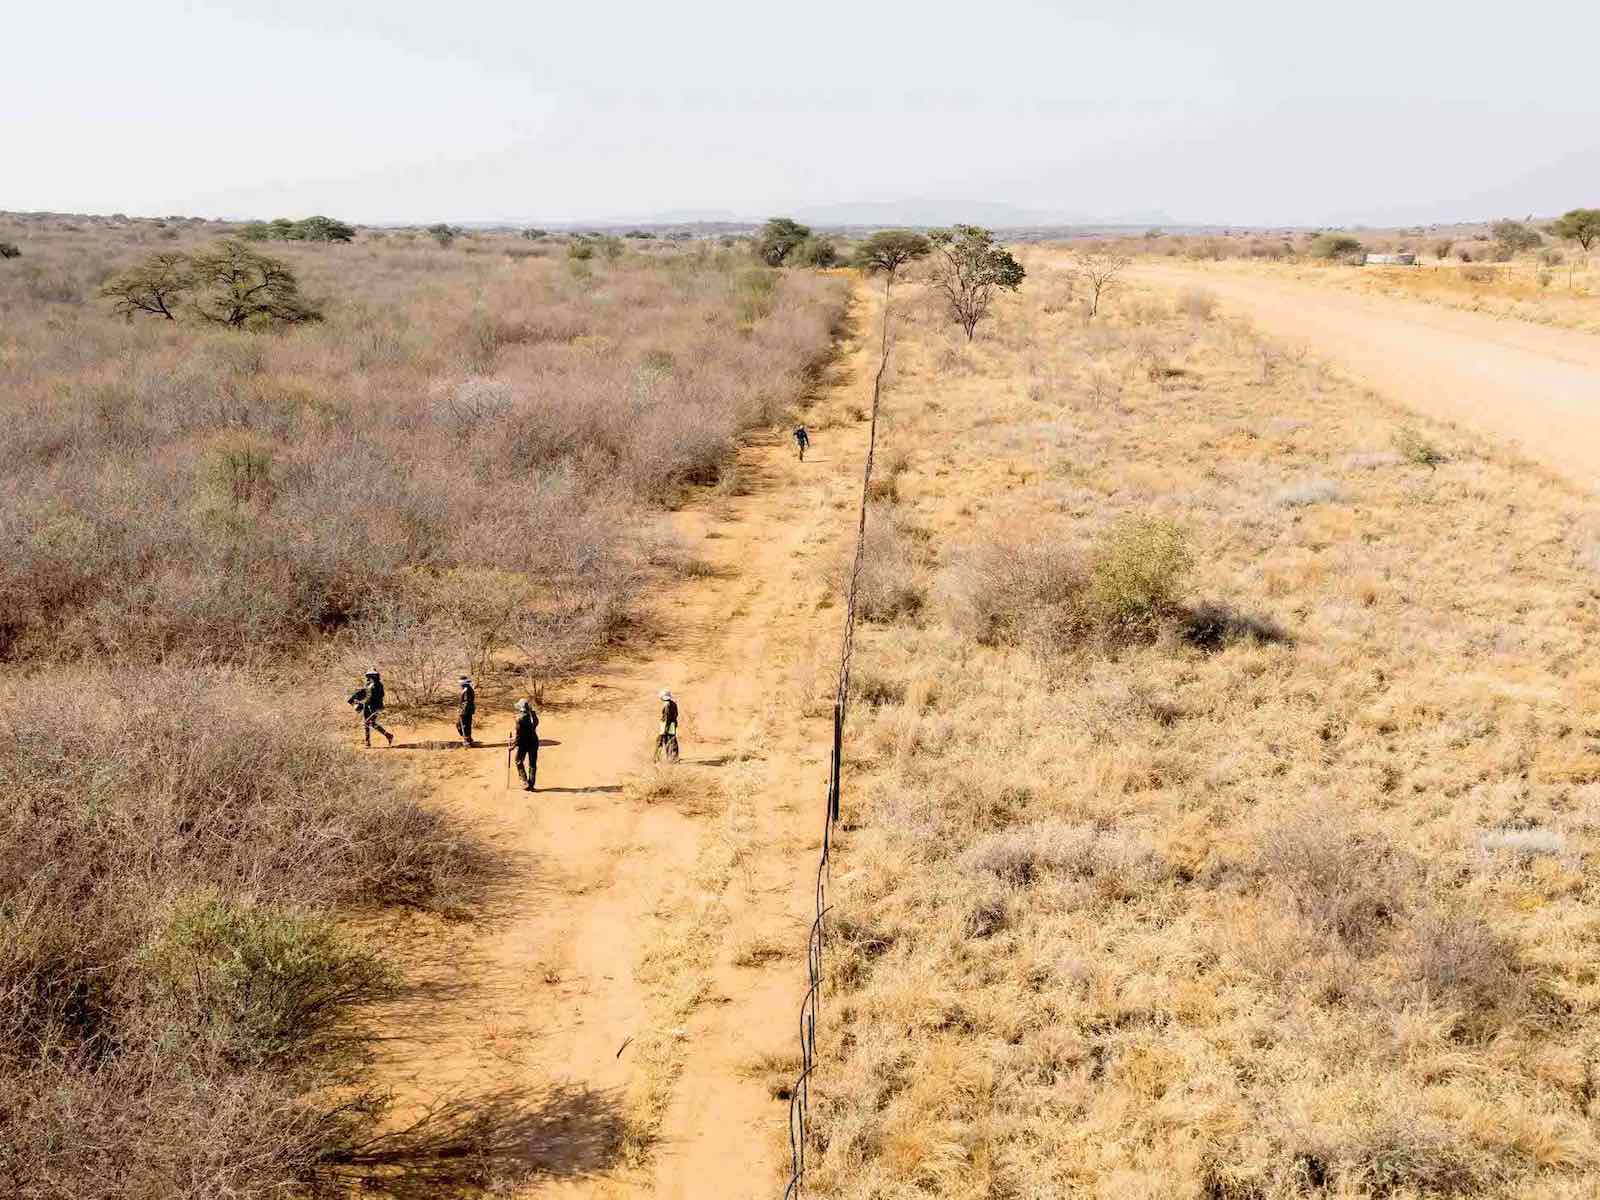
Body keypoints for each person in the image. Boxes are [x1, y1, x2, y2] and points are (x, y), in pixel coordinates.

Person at [347, 669, 393, 748]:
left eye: (369, 676)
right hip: (367, 706)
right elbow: (364, 693)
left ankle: (387, 736)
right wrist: (355, 700)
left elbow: (380, 696)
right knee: (368, 724)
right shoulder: (368, 684)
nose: (368, 677)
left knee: (368, 722)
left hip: (376, 706)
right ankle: (369, 742)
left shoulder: (379, 685)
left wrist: (366, 700)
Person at [510, 698, 540, 791]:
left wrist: (513, 745)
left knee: (518, 760)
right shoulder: (532, 715)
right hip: (534, 742)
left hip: (524, 743)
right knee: (532, 763)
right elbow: (536, 723)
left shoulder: (519, 719)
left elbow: (519, 735)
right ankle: (531, 784)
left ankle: (524, 781)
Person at [655, 689, 680, 762]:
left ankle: (657, 758)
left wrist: (665, 729)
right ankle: (674, 757)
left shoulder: (667, 705)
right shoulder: (673, 703)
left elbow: (666, 718)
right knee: (672, 740)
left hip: (666, 724)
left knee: (661, 741)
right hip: (673, 724)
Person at [456, 676, 476, 747]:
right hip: (467, 710)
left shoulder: (467, 690)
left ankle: (467, 741)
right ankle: (469, 740)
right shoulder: (466, 689)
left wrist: (462, 711)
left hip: (466, 711)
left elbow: (467, 702)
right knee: (466, 725)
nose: (460, 685)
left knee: (463, 725)